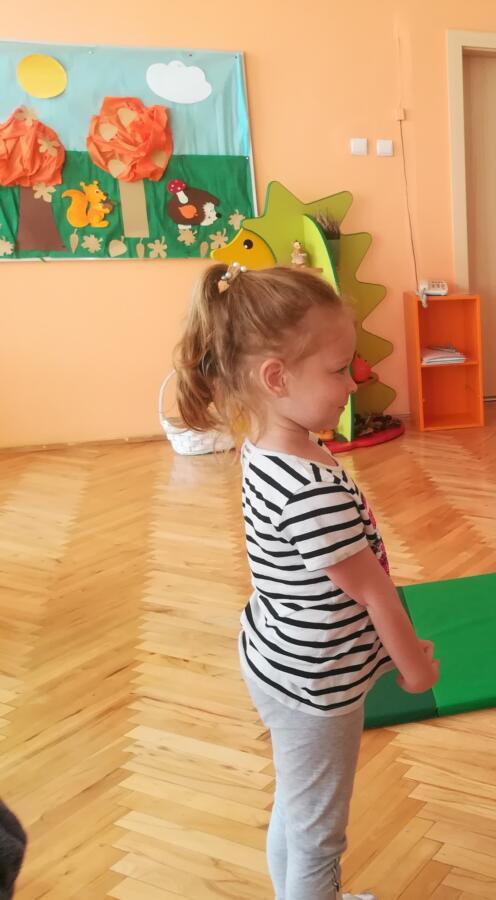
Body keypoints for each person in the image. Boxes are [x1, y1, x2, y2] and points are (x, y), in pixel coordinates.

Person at [174, 263, 439, 900]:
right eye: (339, 369)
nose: (355, 380)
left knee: (297, 807)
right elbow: (371, 589)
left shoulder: (269, 446)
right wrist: (413, 667)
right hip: (315, 685)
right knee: (319, 834)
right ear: (276, 378)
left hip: (277, 656)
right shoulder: (308, 487)